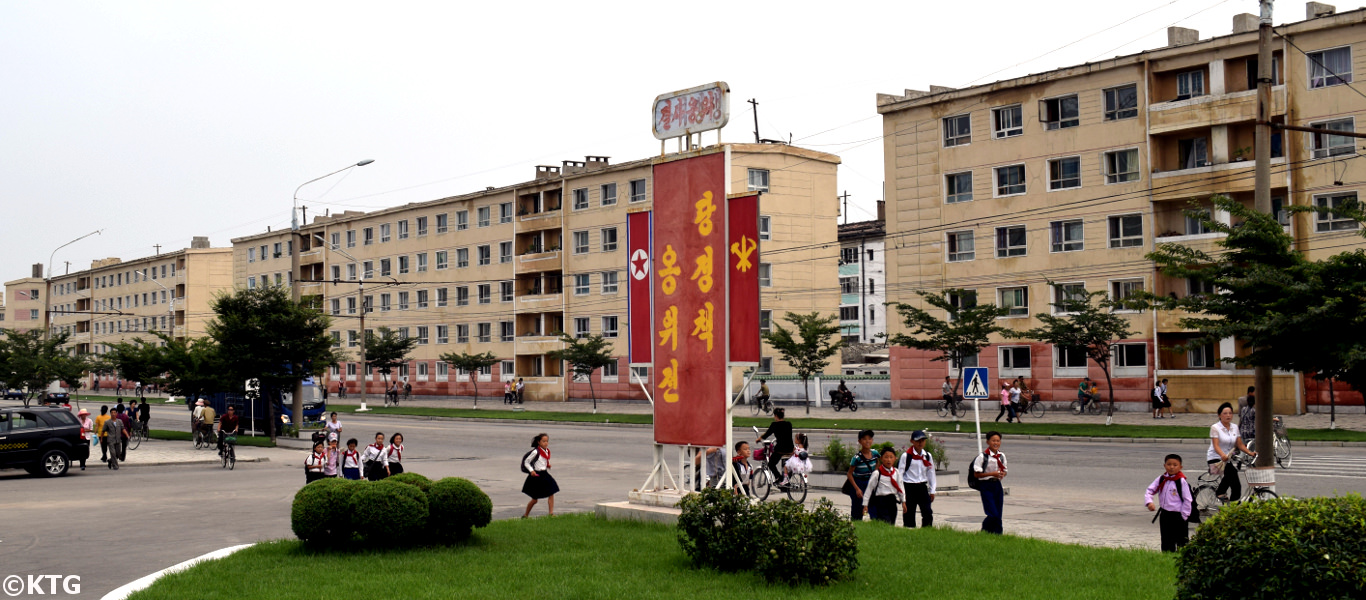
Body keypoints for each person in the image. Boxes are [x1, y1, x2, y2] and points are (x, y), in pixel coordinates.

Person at [1145, 453, 1194, 552]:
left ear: (1180, 467)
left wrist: (1184, 516)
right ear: (1164, 465)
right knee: (1166, 539)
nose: (1172, 467)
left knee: (1181, 540)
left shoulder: (1181, 481)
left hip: (1179, 515)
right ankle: (1167, 557)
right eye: (1169, 464)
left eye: (1175, 465)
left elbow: (1188, 500)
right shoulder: (1162, 479)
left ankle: (1182, 558)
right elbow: (1150, 490)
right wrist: (1149, 502)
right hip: (1165, 514)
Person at [1209, 402, 1255, 502]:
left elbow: (1239, 444)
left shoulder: (1234, 427)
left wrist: (1249, 452)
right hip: (1216, 458)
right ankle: (1220, 492)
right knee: (1231, 473)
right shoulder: (1215, 428)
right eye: (1225, 413)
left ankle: (1234, 507)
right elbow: (1215, 445)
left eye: (1230, 413)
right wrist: (1222, 455)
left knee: (1236, 485)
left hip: (1227, 459)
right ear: (1219, 415)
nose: (1228, 415)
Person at [898, 430, 937, 528]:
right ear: (912, 441)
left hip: (922, 487)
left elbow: (931, 473)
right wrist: (902, 493)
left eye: (923, 440)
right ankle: (909, 530)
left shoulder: (927, 456)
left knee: (927, 512)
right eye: (918, 440)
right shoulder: (906, 456)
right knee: (909, 513)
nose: (920, 443)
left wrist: (932, 490)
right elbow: (900, 475)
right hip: (909, 487)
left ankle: (927, 530)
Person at [971, 431, 1008, 534]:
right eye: (993, 441)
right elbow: (977, 475)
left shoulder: (1001, 456)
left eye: (998, 441)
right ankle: (984, 530)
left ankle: (997, 533)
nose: (996, 443)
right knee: (992, 513)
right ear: (988, 442)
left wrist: (1001, 474)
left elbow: (1005, 470)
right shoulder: (983, 457)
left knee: (999, 511)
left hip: (997, 485)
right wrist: (992, 474)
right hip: (986, 486)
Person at [864, 447, 904, 525]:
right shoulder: (877, 473)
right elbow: (869, 489)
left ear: (895, 458)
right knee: (884, 522)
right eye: (886, 457)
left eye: (891, 457)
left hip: (892, 500)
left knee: (892, 521)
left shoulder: (896, 472)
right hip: (880, 501)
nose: (889, 460)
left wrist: (903, 501)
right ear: (881, 458)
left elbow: (900, 487)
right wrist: (865, 504)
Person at [843, 430, 877, 521]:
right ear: (859, 441)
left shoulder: (875, 454)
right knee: (857, 511)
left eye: (869, 439)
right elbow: (849, 474)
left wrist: (875, 475)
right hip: (858, 483)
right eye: (864, 439)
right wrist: (857, 489)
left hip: (870, 483)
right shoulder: (857, 458)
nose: (867, 441)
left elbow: (879, 463)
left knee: (873, 508)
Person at [522, 433, 558, 517]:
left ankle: (551, 513)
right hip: (537, 476)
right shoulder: (536, 451)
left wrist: (547, 465)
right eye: (543, 441)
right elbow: (526, 462)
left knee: (552, 492)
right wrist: (531, 471)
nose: (546, 443)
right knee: (535, 499)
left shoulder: (546, 451)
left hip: (544, 474)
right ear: (539, 442)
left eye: (547, 441)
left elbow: (542, 461)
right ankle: (526, 515)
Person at [756, 407, 794, 480]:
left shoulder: (774, 425)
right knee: (787, 465)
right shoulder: (789, 424)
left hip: (780, 449)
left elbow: (767, 434)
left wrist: (759, 439)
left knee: (771, 464)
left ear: (776, 416)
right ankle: (786, 479)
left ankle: (778, 477)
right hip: (790, 449)